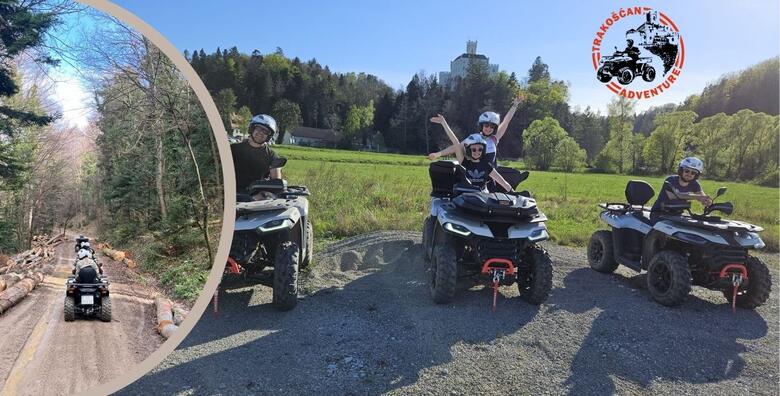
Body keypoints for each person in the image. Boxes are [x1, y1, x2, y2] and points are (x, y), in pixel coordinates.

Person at [427, 92, 524, 167]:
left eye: (492, 126)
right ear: (481, 125)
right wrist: (437, 154)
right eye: (486, 125)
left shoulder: (494, 139)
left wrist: (515, 105)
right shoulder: (474, 139)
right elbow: (456, 147)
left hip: (491, 178)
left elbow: (506, 121)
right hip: (476, 176)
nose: (489, 128)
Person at [428, 115, 513, 192]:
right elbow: (456, 143)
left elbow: (503, 182)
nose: (477, 152)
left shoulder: (487, 166)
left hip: (482, 197)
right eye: (474, 149)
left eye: (480, 149)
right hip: (467, 197)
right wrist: (444, 123)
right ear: (468, 150)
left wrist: (514, 193)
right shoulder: (464, 163)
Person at [230, 114, 283, 194]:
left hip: (256, 200)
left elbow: (277, 184)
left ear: (269, 136)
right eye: (258, 128)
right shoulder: (233, 149)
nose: (261, 133)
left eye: (265, 131)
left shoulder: (272, 156)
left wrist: (263, 194)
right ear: (252, 129)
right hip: (231, 194)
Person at [649, 157, 712, 221]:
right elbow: (674, 196)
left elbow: (702, 196)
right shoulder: (670, 180)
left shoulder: (694, 183)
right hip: (659, 213)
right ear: (681, 171)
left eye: (693, 173)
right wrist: (696, 197)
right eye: (687, 171)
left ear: (696, 175)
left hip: (677, 214)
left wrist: (706, 201)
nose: (689, 174)